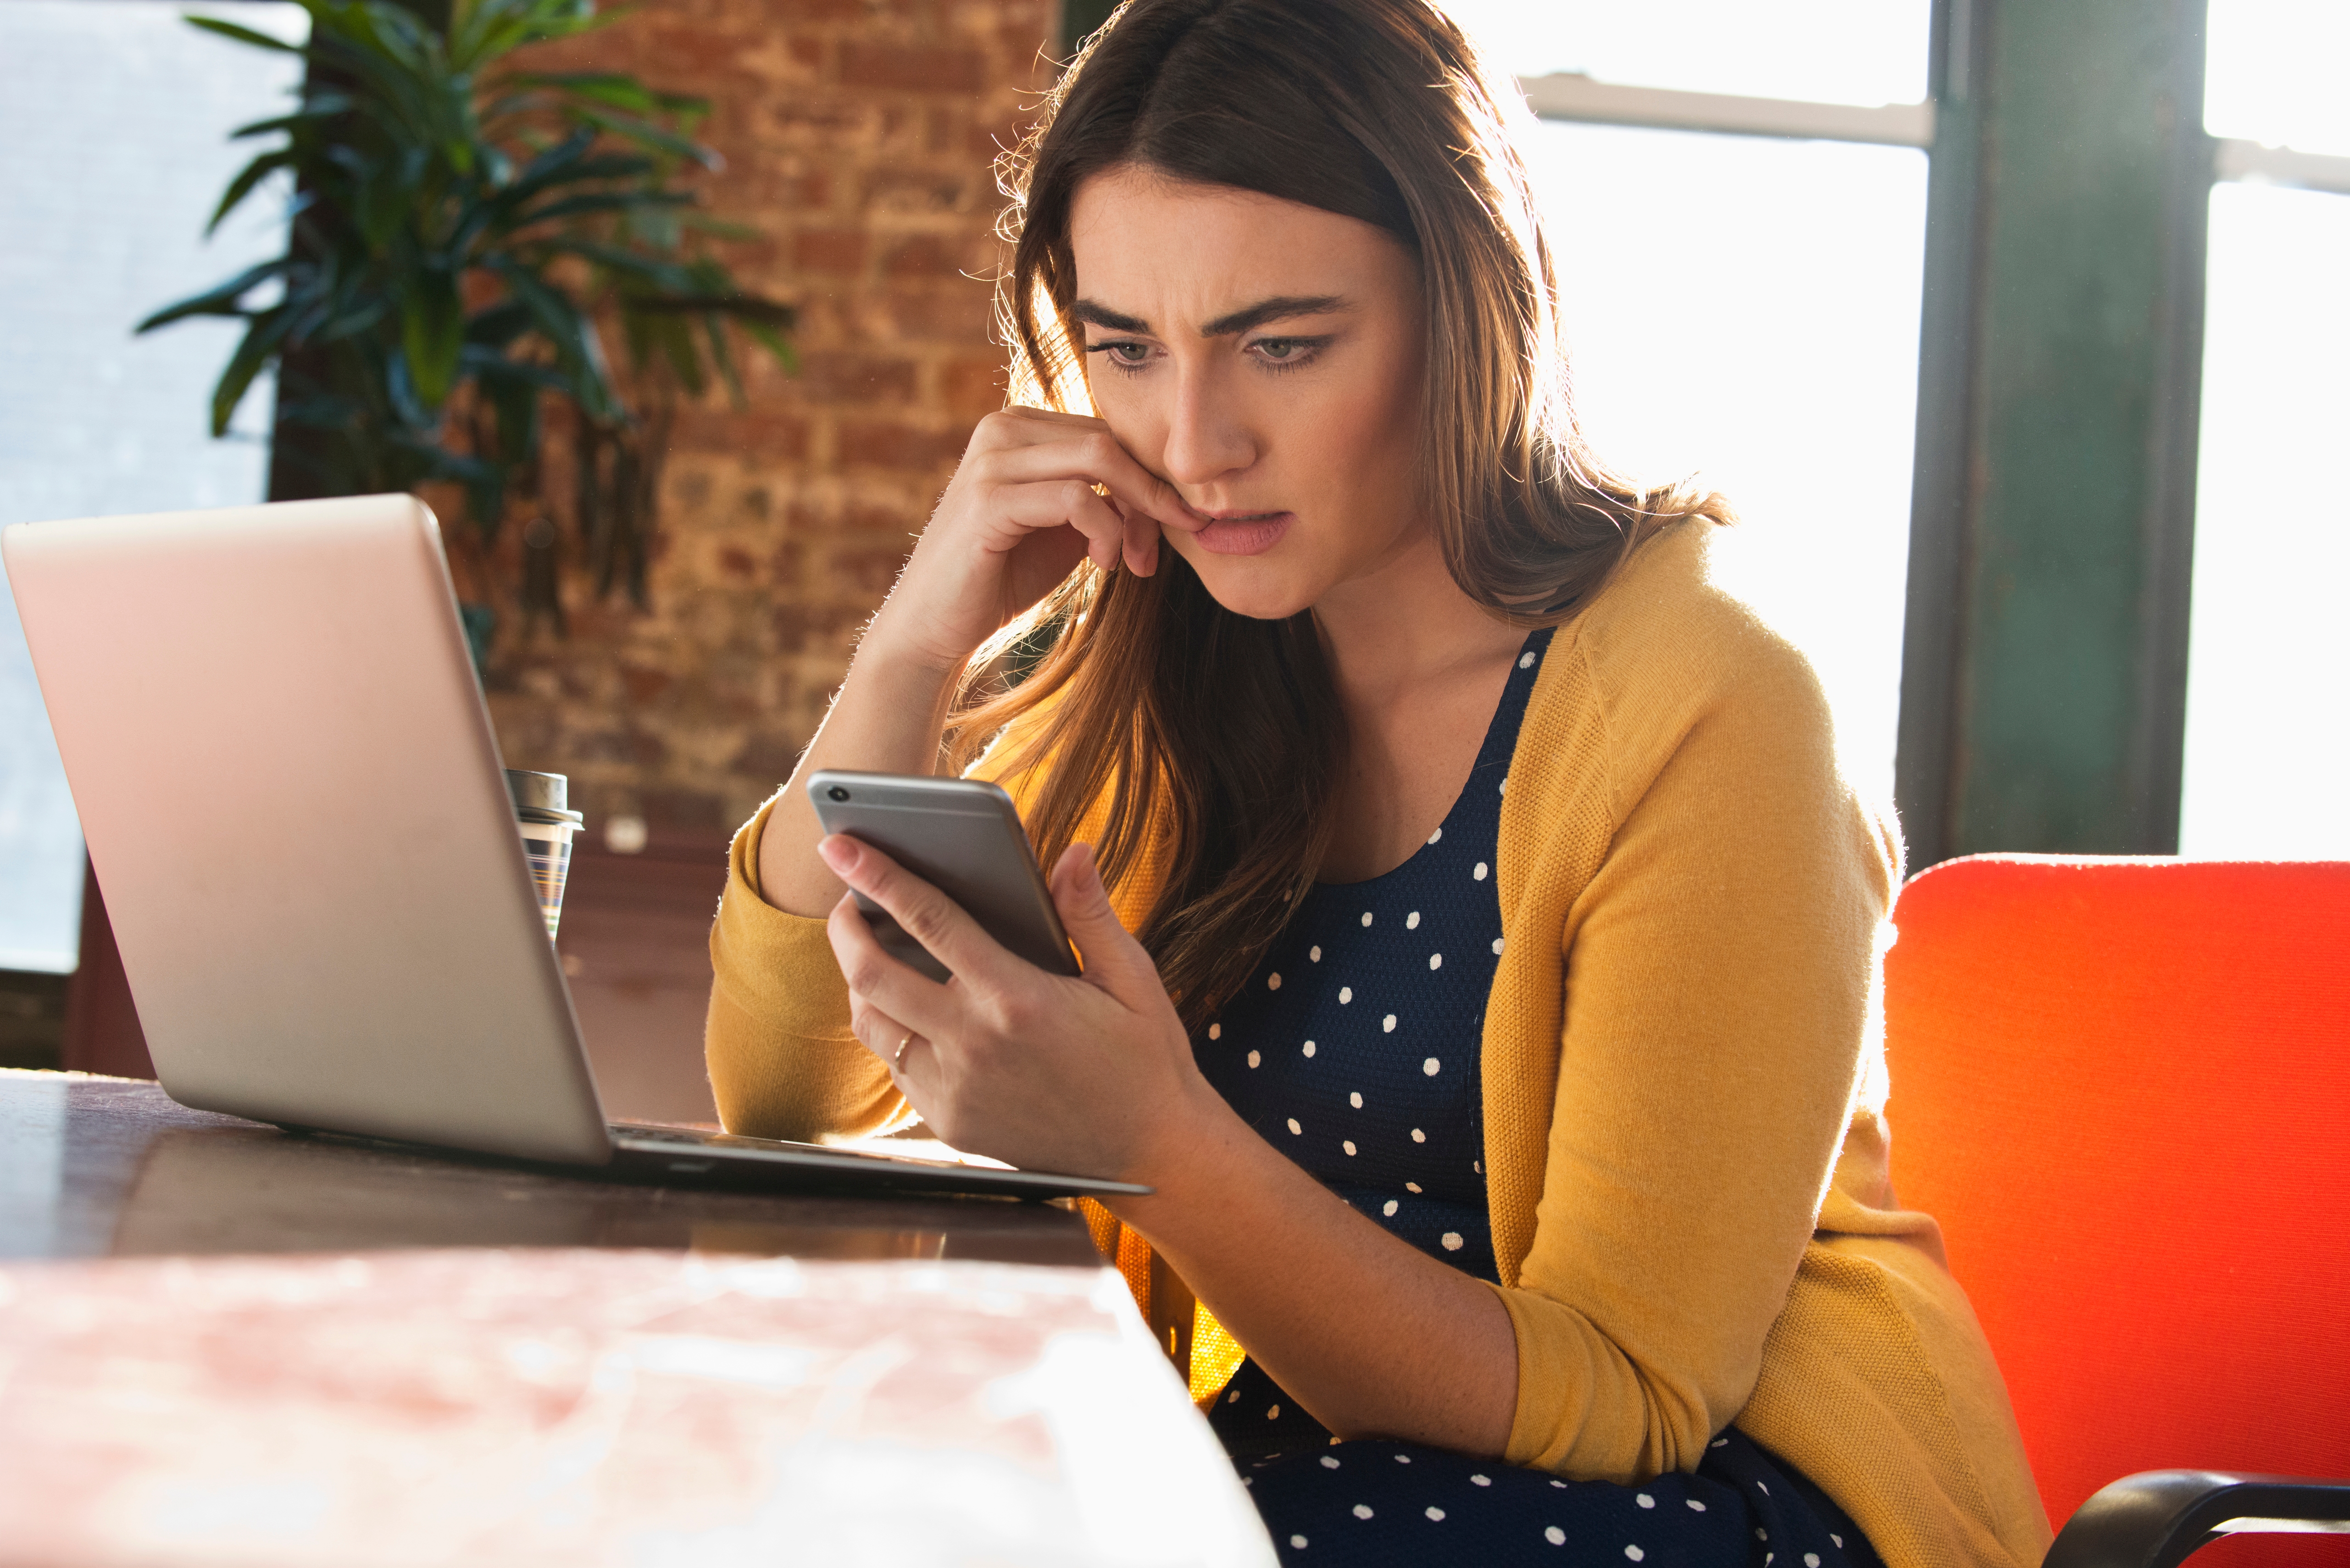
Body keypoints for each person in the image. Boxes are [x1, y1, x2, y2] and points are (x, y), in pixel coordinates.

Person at [706, 2, 2051, 1564]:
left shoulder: (1711, 694)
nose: (1195, 440)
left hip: (1713, 1502)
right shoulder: (1187, 658)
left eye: (1281, 345)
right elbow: (788, 1094)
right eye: (1127, 348)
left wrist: (1155, 1145)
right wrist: (914, 637)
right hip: (1321, 1490)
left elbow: (1629, 1399)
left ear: (1465, 310)